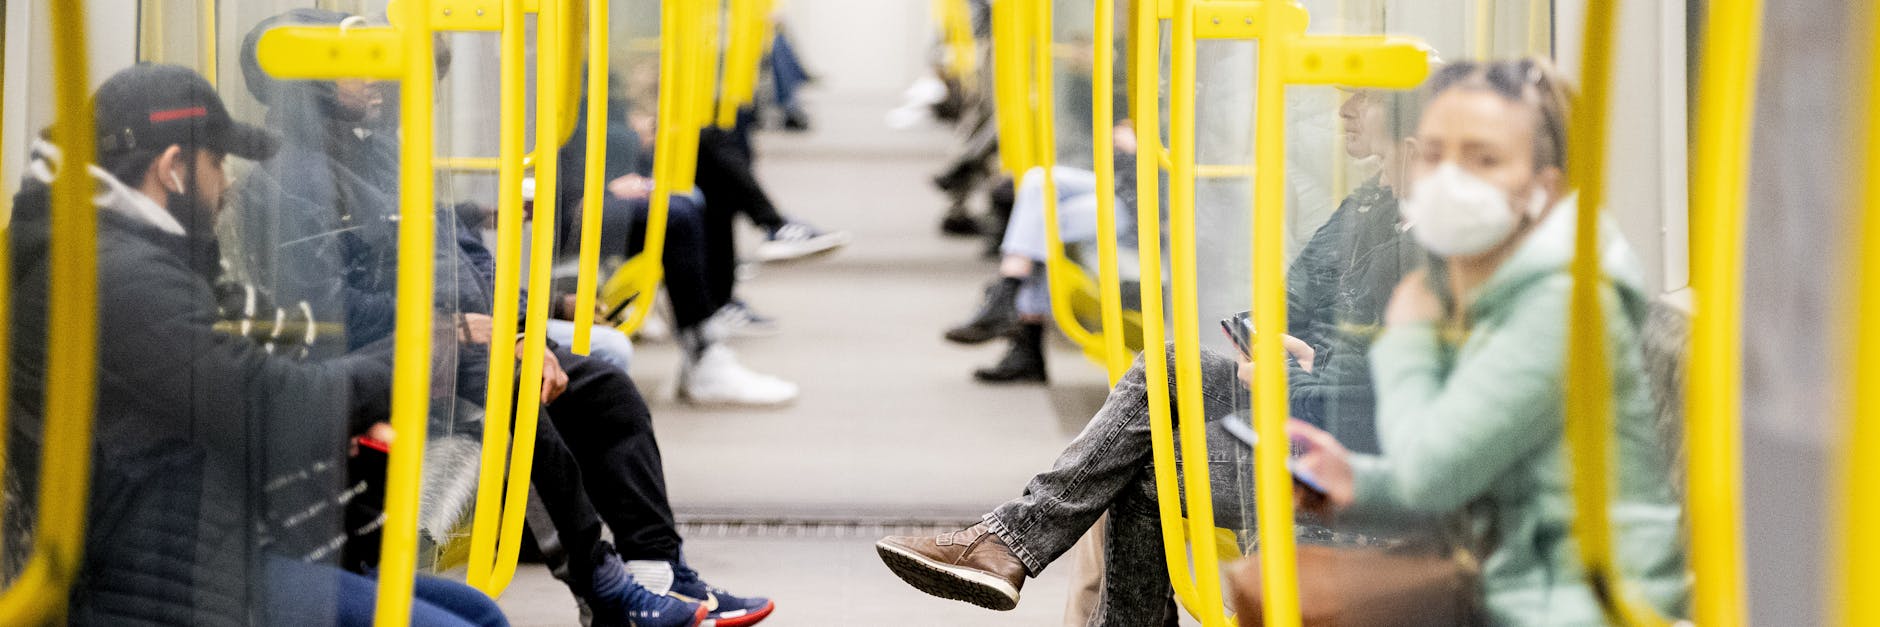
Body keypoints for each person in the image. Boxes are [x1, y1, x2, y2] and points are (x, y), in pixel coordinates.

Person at [232, 12, 776, 626]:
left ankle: (659, 568)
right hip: (388, 365)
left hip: (448, 344)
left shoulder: (378, 156)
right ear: (310, 84)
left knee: (606, 389)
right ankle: (604, 589)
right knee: (513, 399)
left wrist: (521, 325)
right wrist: (452, 329)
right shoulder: (287, 184)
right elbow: (326, 310)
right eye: (351, 65)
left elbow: (454, 262)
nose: (373, 77)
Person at [876, 80, 1430, 623]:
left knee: (1152, 468)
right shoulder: (1371, 204)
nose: (1347, 109)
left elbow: (1378, 387)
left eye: (1368, 99)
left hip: (1343, 438)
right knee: (1168, 365)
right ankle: (1007, 544)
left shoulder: (1430, 248)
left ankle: (1011, 548)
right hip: (1304, 392)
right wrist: (1274, 346)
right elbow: (1286, 305)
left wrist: (1295, 373)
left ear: (1411, 137)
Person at [8, 62, 505, 627]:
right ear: (172, 169)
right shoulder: (112, 276)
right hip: (161, 570)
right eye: (216, 162)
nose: (227, 183)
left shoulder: (129, 255)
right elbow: (271, 405)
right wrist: (417, 353)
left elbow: (264, 366)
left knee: (476, 611)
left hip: (210, 531)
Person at [1284, 58, 1688, 624]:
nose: (1449, 179)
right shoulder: (1501, 280)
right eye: (1436, 154)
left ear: (1542, 188)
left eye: (1484, 159)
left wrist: (1411, 336)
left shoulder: (1563, 300)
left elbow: (1433, 472)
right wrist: (1356, 478)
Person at [943, 121, 1145, 384]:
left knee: (1041, 223)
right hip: (1123, 181)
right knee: (1038, 180)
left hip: (1146, 199)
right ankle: (1011, 296)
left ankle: (1012, 305)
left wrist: (1144, 147)